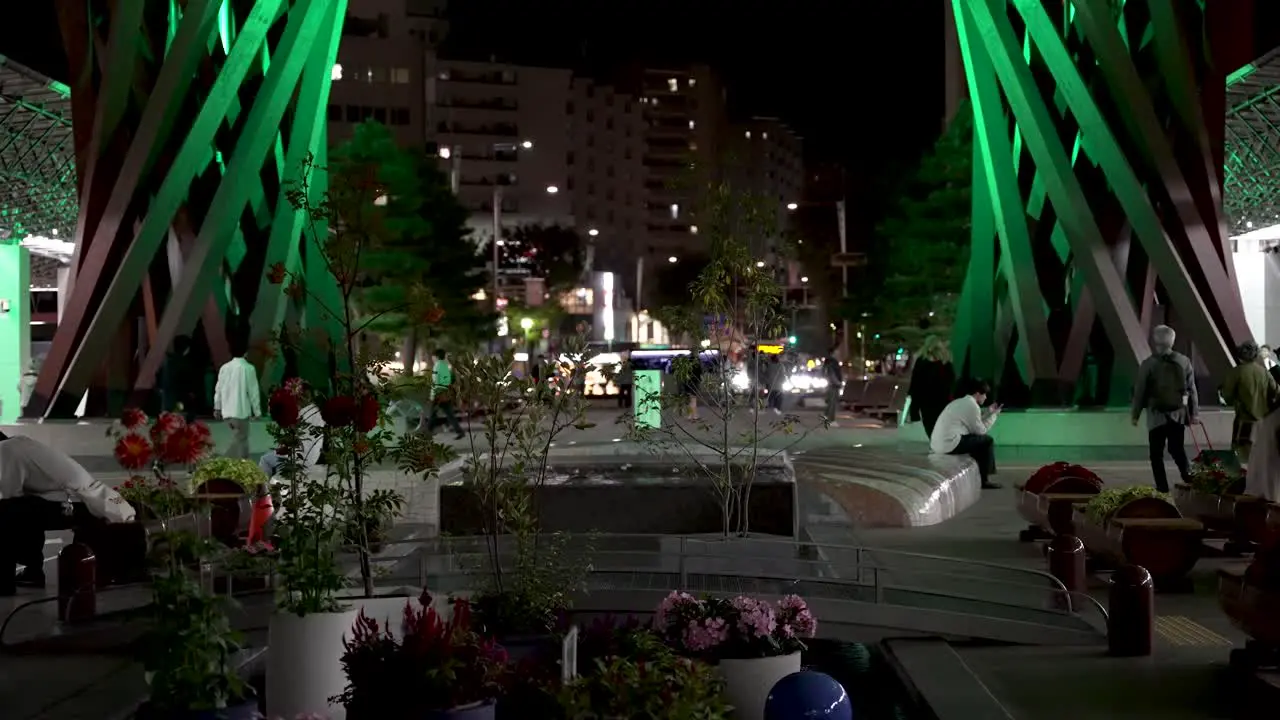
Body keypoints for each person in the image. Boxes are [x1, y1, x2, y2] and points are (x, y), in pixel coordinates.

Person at [0, 433, 136, 595]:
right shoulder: (17, 445)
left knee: (7, 511)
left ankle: (4, 581)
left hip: (76, 504)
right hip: (80, 502)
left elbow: (7, 496)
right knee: (23, 507)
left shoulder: (5, 451)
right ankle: (32, 572)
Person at [1130, 324, 1197, 493]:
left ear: (1155, 341)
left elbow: (1140, 391)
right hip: (1178, 414)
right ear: (1172, 341)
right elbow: (1192, 389)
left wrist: (1135, 414)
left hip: (1156, 416)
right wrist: (1194, 413)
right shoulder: (1183, 361)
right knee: (1177, 448)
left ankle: (1162, 488)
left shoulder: (1148, 364)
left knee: (1156, 454)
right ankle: (1188, 476)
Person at [930, 378, 1002, 489]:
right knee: (987, 441)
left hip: (939, 444)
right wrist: (994, 416)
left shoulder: (961, 402)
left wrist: (988, 412)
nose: (986, 397)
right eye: (985, 395)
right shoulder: (972, 406)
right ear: (978, 394)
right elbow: (981, 431)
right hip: (949, 444)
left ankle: (977, 477)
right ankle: (984, 480)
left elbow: (973, 423)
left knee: (976, 441)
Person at [1221, 341, 1280, 464]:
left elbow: (1227, 396)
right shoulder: (1264, 372)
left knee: (1242, 458)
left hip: (1244, 421)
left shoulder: (1236, 372)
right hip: (1263, 422)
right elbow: (1276, 391)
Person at [214, 341, 262, 459]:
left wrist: (217, 407)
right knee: (241, 439)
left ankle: (238, 464)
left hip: (227, 411)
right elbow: (253, 392)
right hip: (241, 411)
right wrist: (257, 411)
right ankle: (229, 462)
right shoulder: (249, 368)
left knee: (239, 439)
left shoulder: (224, 368)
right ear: (246, 353)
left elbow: (218, 389)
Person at [909, 336, 957, 439]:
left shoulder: (922, 362)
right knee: (938, 425)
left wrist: (914, 407)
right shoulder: (945, 363)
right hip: (940, 401)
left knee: (932, 426)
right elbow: (952, 382)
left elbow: (915, 384)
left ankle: (938, 444)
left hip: (928, 401)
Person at [427, 349, 465, 439]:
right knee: (449, 414)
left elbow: (435, 381)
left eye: (433, 356)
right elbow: (449, 379)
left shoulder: (437, 366)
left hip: (439, 393)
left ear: (435, 356)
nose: (432, 358)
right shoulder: (445, 366)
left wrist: (433, 394)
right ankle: (459, 431)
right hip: (445, 392)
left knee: (432, 414)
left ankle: (427, 432)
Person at [822, 347, 844, 426]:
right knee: (832, 403)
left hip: (831, 384)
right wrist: (838, 382)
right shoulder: (833, 362)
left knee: (830, 402)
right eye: (837, 352)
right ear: (833, 353)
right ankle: (831, 420)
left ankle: (826, 416)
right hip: (833, 385)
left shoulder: (829, 361)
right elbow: (832, 374)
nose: (839, 354)